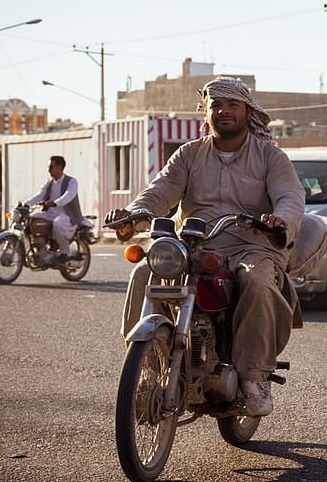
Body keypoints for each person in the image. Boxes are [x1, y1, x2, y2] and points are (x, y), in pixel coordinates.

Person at [105, 76, 305, 417]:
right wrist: (135, 213)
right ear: (206, 112)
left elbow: (290, 196)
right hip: (195, 245)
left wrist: (279, 220)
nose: (224, 111)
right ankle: (145, 365)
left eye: (232, 105)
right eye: (217, 105)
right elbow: (161, 190)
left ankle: (254, 378)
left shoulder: (270, 157)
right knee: (144, 272)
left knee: (257, 282)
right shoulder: (189, 154)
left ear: (247, 112)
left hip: (250, 245)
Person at [25, 156, 82, 262]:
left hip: (67, 214)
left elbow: (69, 195)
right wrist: (25, 204)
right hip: (51, 213)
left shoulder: (71, 181)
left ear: (60, 167)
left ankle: (65, 252)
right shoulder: (49, 182)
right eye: (48, 167)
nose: (49, 170)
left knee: (58, 224)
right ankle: (39, 246)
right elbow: (40, 194)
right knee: (31, 218)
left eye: (51, 167)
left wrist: (55, 203)